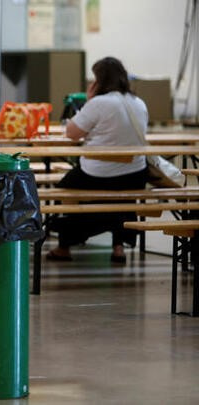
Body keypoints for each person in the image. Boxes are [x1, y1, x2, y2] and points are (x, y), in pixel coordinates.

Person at [46, 56, 149, 264]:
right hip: (135, 174)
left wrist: (90, 99)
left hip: (98, 174)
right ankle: (119, 247)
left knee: (65, 190)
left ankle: (64, 246)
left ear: (99, 81)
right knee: (122, 200)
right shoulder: (138, 102)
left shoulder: (100, 103)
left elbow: (72, 133)